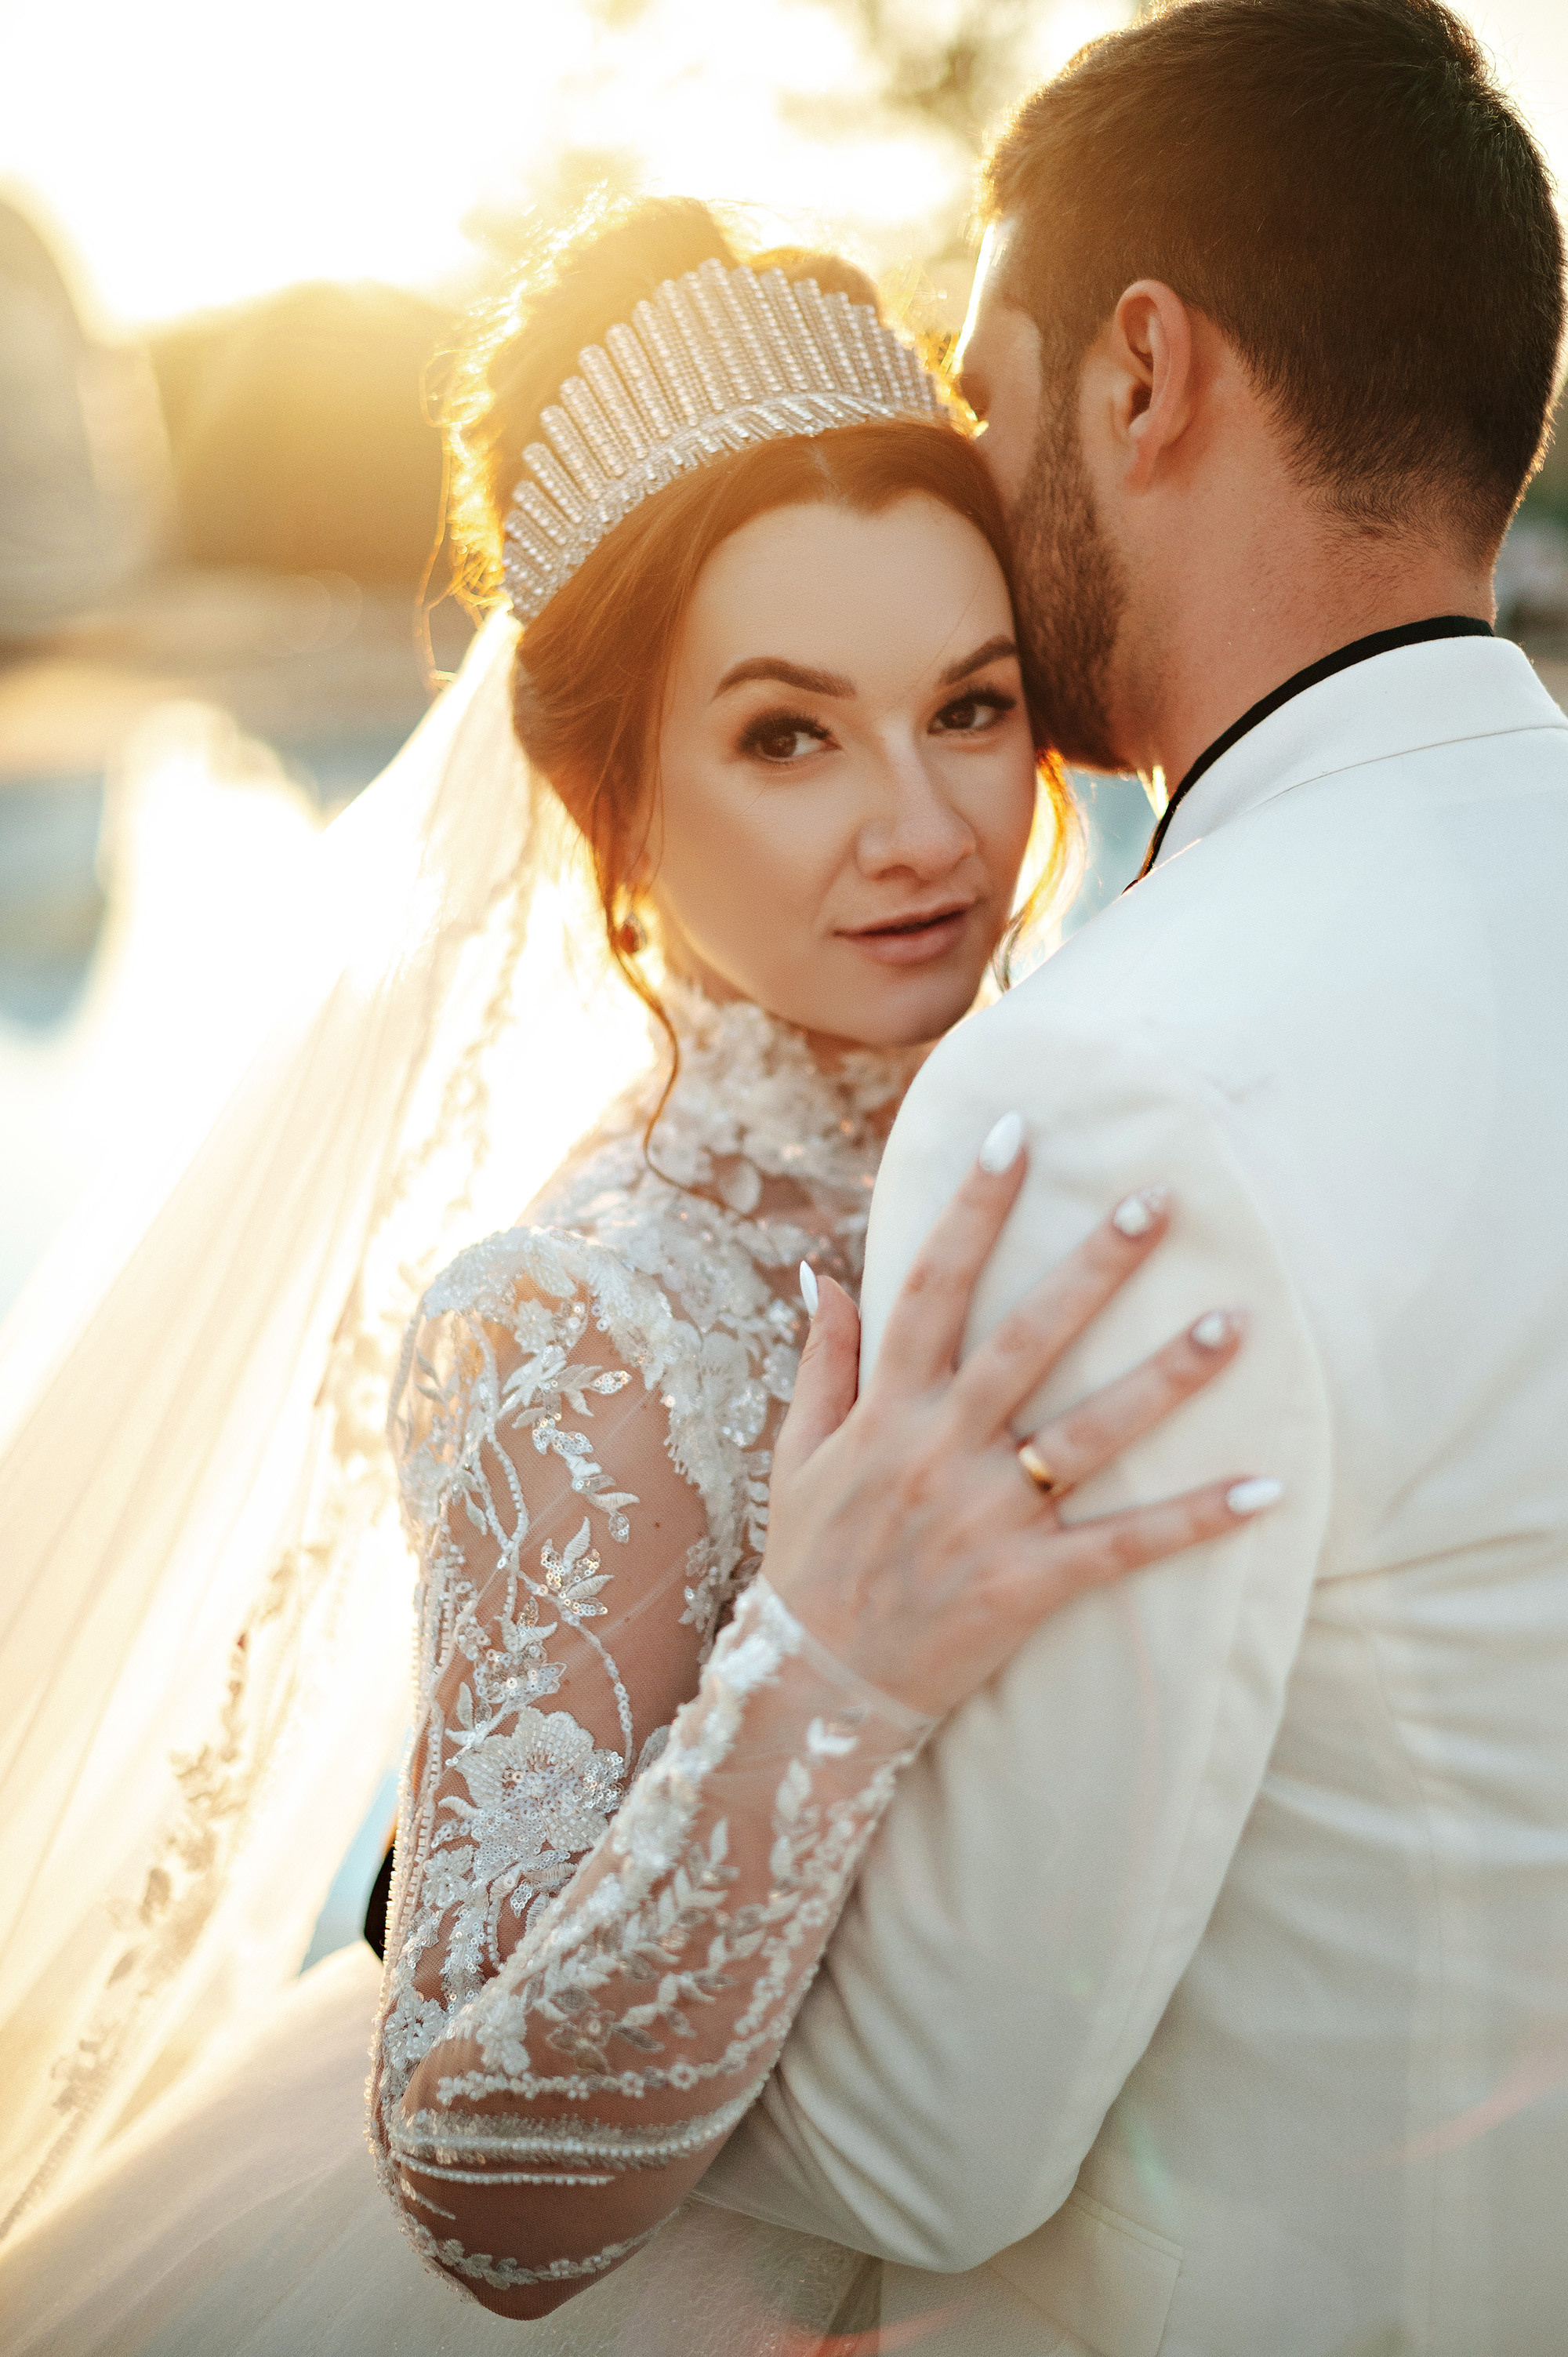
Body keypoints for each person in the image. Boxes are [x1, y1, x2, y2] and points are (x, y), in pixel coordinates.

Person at [0, 202, 1276, 2354]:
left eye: (970, 710)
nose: (927, 828)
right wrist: (832, 1652)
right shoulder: (579, 1322)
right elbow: (479, 2175)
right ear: (615, 808)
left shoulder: (1098, 1146)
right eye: (788, 737)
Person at [690, 5, 1568, 2353]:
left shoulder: (1102, 1084)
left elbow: (928, 2142)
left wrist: (619, 1851)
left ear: (1147, 373)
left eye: (994, 392)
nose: (979, 473)